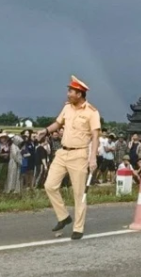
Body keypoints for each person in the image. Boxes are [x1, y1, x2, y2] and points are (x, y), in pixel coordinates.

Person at [38, 75, 100, 240]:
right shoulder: (67, 108)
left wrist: (92, 158)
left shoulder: (92, 112)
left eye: (71, 91)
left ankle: (78, 227)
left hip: (79, 154)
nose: (68, 94)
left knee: (79, 193)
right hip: (62, 152)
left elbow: (95, 136)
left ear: (79, 94)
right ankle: (64, 216)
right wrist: (45, 131)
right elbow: (58, 124)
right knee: (50, 185)